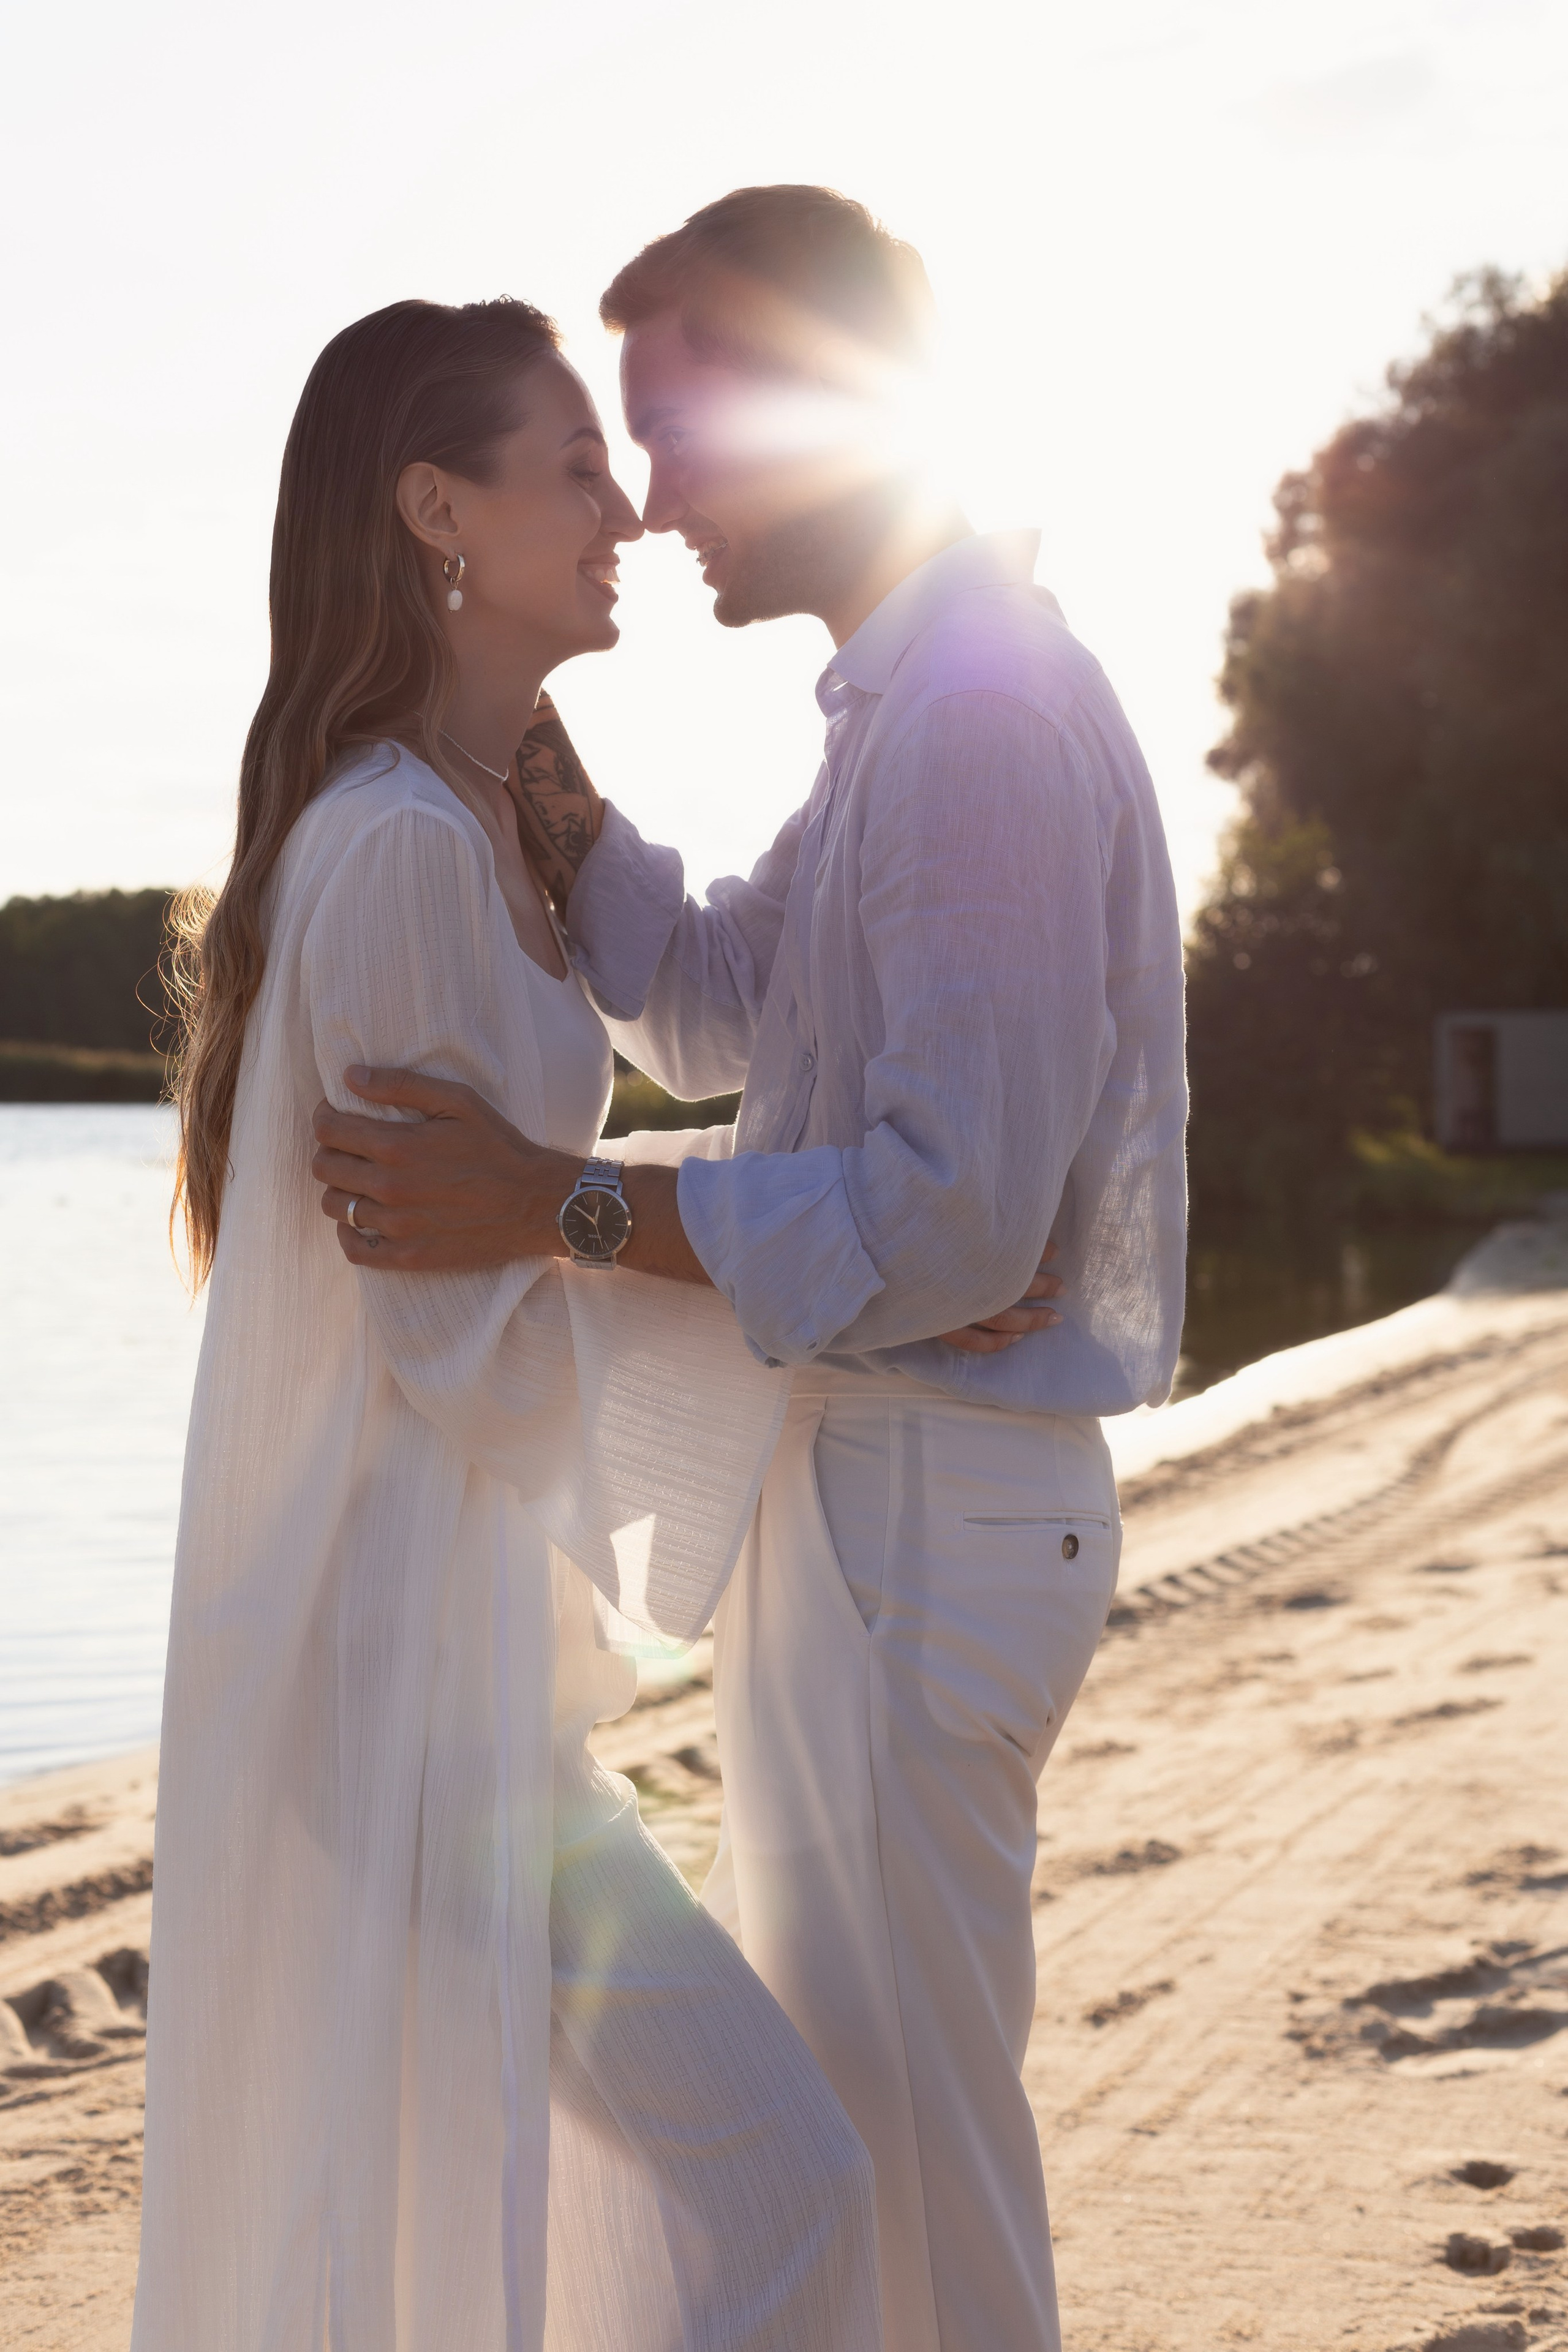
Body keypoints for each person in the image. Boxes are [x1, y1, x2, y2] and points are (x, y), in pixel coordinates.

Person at [311, 187, 1188, 2352]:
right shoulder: (909, 700)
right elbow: (723, 1010)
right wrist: (551, 791)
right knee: (870, 2145)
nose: (658, 493)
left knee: (915, 2166)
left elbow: (950, 1217)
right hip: (873, 1501)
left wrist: (558, 1204)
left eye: (682, 430)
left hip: (926, 1510)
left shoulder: (975, 714)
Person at [132, 294, 881, 2352]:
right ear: (435, 510)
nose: (627, 501)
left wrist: (801, 1245)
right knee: (775, 2181)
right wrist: (842, 1317)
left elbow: (656, 1074)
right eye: (574, 463)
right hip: (390, 1681)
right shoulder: (388, 848)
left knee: (507, 2229)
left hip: (450, 1674)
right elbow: (445, 1341)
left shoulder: (467, 824)